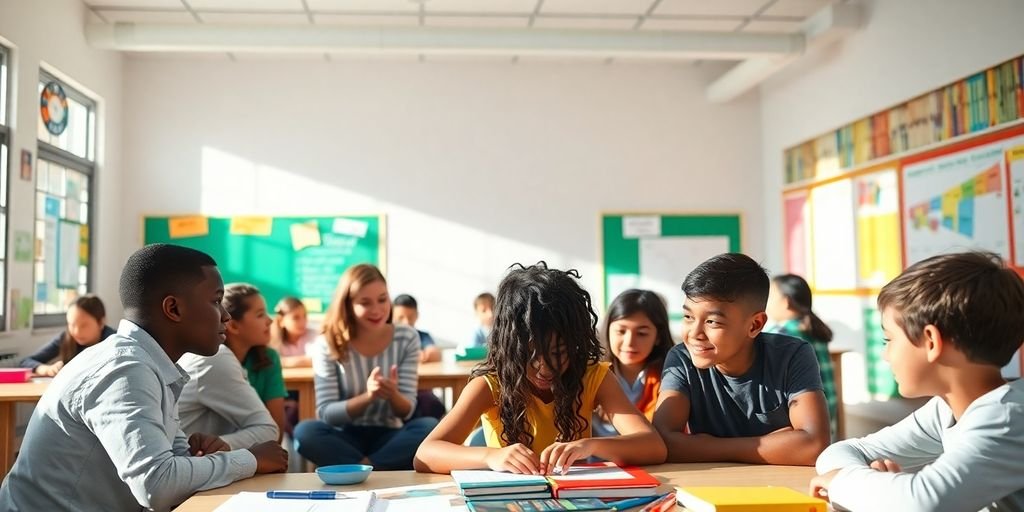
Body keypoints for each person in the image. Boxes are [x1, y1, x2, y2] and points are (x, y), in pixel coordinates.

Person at [0, 244, 287, 511]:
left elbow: (171, 465)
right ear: (173, 308)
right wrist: (250, 459)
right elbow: (157, 485)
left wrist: (195, 453)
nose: (225, 315)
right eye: (215, 301)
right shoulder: (124, 369)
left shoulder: (150, 363)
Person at [810, 252, 1024, 511]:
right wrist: (876, 485)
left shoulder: (1007, 417)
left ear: (931, 342)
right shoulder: (946, 409)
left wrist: (844, 481)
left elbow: (922, 502)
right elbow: (848, 450)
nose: (885, 355)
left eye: (888, 340)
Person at [414, 263, 667, 474]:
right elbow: (426, 454)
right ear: (510, 347)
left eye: (558, 353)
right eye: (529, 355)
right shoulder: (490, 384)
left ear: (576, 343)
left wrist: (589, 446)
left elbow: (653, 446)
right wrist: (490, 457)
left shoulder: (593, 376)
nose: (544, 368)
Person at [653, 253, 831, 466]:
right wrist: (774, 442)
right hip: (711, 488)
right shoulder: (682, 358)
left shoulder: (792, 355)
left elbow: (813, 445)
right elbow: (663, 442)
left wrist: (702, 445)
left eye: (712, 321)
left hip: (782, 487)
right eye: (688, 317)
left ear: (755, 325)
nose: (694, 333)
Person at [293, 264, 438, 470]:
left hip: (391, 435)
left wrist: (392, 394)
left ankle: (362, 468)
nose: (377, 310)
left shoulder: (406, 337)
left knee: (429, 427)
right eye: (365, 303)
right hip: (345, 436)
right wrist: (369, 397)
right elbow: (327, 414)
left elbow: (406, 411)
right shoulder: (328, 342)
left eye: (382, 299)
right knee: (305, 432)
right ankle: (379, 468)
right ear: (347, 305)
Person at [178, 284, 283, 444]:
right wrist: (216, 447)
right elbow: (268, 431)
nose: (270, 320)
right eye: (260, 315)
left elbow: (276, 433)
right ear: (232, 325)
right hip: (191, 460)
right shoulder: (213, 359)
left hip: (205, 461)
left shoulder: (267, 358)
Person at [594, 289, 675, 436]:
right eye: (621, 331)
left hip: (651, 457)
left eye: (642, 333)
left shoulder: (671, 378)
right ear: (608, 331)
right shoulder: (591, 375)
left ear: (658, 337)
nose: (629, 342)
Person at [766, 274, 838, 438]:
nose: (766, 304)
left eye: (770, 297)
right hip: (827, 420)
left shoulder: (781, 335)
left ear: (785, 302)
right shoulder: (813, 329)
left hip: (802, 428)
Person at [19, 294, 115, 376]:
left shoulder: (116, 341)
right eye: (72, 324)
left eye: (84, 326)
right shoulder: (66, 338)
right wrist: (47, 369)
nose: (76, 332)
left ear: (101, 322)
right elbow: (26, 361)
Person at [393, 293, 446, 420]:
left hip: (421, 391)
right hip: (396, 392)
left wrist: (422, 354)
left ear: (416, 316)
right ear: (392, 316)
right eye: (401, 317)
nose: (406, 322)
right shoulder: (389, 337)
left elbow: (435, 353)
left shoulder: (421, 336)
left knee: (434, 406)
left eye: (410, 317)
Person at [270, 296, 316, 368]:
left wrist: (283, 362)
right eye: (296, 318)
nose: (302, 322)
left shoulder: (315, 336)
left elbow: (316, 360)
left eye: (305, 316)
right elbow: (269, 362)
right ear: (281, 321)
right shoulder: (272, 340)